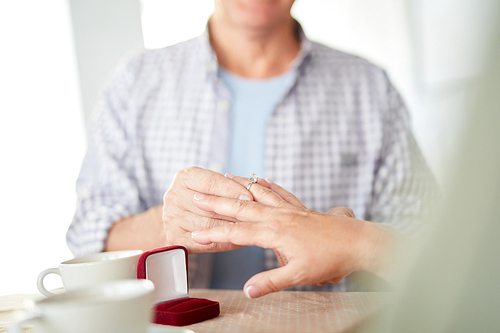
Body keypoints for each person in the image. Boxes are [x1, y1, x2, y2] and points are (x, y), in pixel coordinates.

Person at [66, 0, 436, 291]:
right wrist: (166, 227)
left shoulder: (370, 89)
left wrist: (356, 243)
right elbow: (87, 238)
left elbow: (436, 251)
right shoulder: (135, 82)